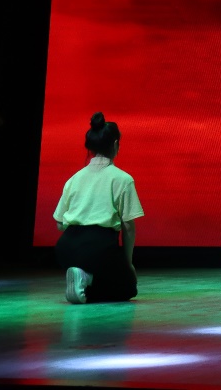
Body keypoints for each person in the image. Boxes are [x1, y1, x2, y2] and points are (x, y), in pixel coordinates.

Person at [52, 112, 144, 304]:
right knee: (128, 288)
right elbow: (128, 227)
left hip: (66, 247)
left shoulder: (74, 179)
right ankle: (88, 279)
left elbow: (60, 223)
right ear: (116, 144)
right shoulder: (123, 179)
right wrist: (128, 263)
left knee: (105, 273)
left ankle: (83, 277)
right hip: (100, 247)